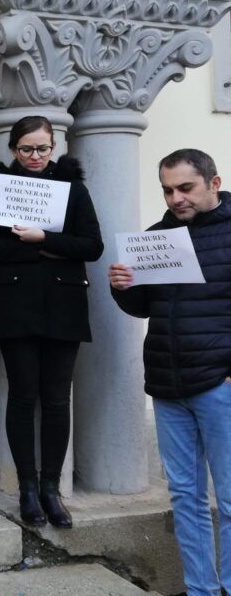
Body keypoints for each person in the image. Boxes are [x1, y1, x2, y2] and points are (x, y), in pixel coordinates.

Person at [109, 149, 231, 596]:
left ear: (213, 184)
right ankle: (201, 590)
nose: (175, 197)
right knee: (185, 498)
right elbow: (146, 306)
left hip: (220, 385)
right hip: (167, 384)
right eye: (167, 189)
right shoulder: (157, 236)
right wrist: (123, 288)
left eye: (185, 187)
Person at [0, 115, 103, 529]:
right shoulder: (0, 186)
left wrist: (43, 239)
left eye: (43, 149)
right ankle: (27, 488)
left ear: (55, 149)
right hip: (16, 302)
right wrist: (35, 249)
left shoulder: (72, 187)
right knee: (22, 395)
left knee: (55, 399)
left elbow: (92, 245)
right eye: (27, 149)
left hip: (64, 302)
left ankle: (51, 488)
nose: (35, 156)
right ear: (13, 149)